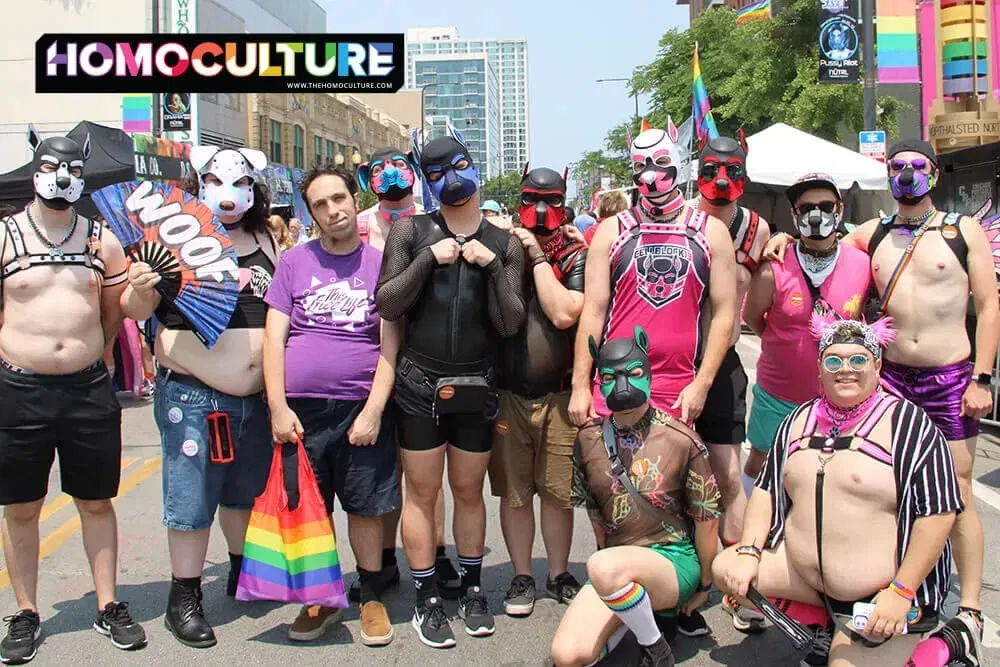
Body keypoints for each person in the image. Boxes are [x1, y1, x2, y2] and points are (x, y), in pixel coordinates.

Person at [762, 140, 1000, 644]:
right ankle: (890, 585)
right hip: (891, 375)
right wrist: (779, 242)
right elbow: (819, 249)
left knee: (955, 490)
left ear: (933, 174)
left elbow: (990, 302)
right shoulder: (873, 234)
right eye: (897, 167)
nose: (907, 175)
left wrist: (983, 377)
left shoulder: (963, 231)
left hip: (949, 375)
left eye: (917, 167)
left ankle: (972, 606)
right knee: (883, 482)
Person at [712, 315, 967, 667]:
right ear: (819, 368)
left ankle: (941, 648)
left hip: (883, 596)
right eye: (834, 360)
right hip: (808, 582)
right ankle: (823, 627)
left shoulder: (908, 424)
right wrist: (750, 552)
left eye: (858, 359)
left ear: (877, 365)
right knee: (726, 568)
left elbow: (939, 514)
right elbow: (766, 491)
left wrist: (901, 591)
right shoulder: (797, 420)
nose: (845, 369)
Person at [0, 126, 146, 664]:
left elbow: (114, 313)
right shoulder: (6, 235)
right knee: (21, 506)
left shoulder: (99, 238)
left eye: (73, 171)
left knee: (95, 501)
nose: (62, 179)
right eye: (52, 167)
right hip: (18, 390)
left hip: (87, 390)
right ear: (35, 169)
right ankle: (25, 612)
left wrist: (101, 350)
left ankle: (108, 605)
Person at [121, 145, 276, 649]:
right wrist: (143, 286)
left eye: (241, 184)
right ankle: (183, 599)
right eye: (216, 182)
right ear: (199, 185)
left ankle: (241, 571)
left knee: (243, 492)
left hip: (256, 397)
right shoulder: (173, 237)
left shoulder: (266, 236)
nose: (229, 195)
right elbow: (132, 304)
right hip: (195, 396)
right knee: (191, 499)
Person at [375, 135, 526, 647]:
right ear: (424, 175)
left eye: (460, 165)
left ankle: (473, 587)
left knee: (468, 490)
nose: (452, 177)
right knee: (420, 492)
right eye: (438, 169)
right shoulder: (409, 231)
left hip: (476, 384)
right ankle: (426, 596)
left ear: (475, 165)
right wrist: (426, 261)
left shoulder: (504, 242)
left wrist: (493, 265)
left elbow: (510, 322)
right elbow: (388, 304)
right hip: (418, 383)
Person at [263, 165, 400, 646]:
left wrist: (374, 410)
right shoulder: (293, 263)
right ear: (310, 212)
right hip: (301, 412)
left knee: (365, 509)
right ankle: (319, 598)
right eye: (320, 204)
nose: (332, 210)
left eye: (339, 198)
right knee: (310, 510)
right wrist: (278, 408)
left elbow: (390, 347)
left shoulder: (382, 262)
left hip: (359, 409)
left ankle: (372, 594)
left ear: (355, 200)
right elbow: (273, 340)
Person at [550, 327, 722, 667]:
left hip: (673, 563)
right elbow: (596, 514)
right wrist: (610, 574)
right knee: (567, 656)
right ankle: (636, 617)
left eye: (634, 373)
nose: (623, 383)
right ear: (600, 380)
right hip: (616, 567)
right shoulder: (588, 439)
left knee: (601, 564)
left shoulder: (680, 438)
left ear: (649, 373)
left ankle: (654, 647)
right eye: (611, 376)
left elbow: (708, 521)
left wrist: (704, 584)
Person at [569, 117, 738, 434]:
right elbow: (592, 312)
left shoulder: (710, 231)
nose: (651, 172)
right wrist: (580, 385)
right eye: (641, 164)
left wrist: (702, 384)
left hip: (678, 384)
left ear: (676, 159)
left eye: (661, 161)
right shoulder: (611, 231)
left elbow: (724, 315)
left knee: (665, 481)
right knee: (609, 479)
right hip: (614, 377)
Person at [355, 146, 462, 603]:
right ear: (367, 178)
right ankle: (381, 561)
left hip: (423, 360)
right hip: (367, 359)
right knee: (381, 471)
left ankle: (436, 551)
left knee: (425, 474)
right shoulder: (357, 226)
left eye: (398, 165)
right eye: (379, 169)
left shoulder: (432, 222)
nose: (390, 175)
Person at [490, 165, 586, 617]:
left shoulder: (575, 251)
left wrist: (537, 254)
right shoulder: (500, 245)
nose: (542, 209)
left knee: (557, 492)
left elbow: (566, 313)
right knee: (515, 493)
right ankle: (523, 575)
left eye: (551, 199)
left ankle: (559, 573)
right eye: (532, 199)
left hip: (561, 395)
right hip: (508, 392)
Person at [690, 134, 770, 550]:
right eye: (711, 170)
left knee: (729, 474)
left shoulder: (758, 231)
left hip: (723, 364)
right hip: (677, 363)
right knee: (668, 473)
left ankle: (738, 569)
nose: (720, 180)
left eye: (732, 171)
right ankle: (681, 569)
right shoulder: (680, 221)